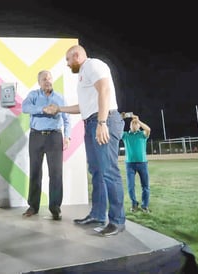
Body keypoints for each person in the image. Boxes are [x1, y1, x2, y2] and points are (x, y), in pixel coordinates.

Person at [46, 45, 126, 236]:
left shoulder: (92, 65)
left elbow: (104, 90)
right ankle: (98, 215)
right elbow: (84, 106)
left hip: (103, 120)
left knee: (109, 171)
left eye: (68, 60)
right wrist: (59, 109)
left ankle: (117, 221)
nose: (67, 64)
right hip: (91, 121)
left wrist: (102, 122)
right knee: (97, 171)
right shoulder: (84, 74)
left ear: (77, 55)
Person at [21, 70, 71, 221]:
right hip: (36, 136)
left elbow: (66, 118)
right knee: (35, 171)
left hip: (55, 136)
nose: (47, 81)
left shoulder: (59, 97)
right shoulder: (33, 95)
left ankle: (55, 207)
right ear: (39, 82)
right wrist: (42, 109)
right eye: (44, 79)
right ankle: (33, 206)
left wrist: (67, 136)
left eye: (49, 78)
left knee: (55, 173)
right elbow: (25, 108)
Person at [121, 114, 151, 213]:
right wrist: (121, 119)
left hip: (142, 163)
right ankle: (134, 203)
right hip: (130, 164)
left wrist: (138, 121)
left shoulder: (142, 134)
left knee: (145, 186)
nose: (134, 125)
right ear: (129, 126)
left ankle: (144, 205)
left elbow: (148, 129)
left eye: (136, 124)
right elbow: (116, 131)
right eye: (132, 123)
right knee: (130, 186)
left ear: (138, 126)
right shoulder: (125, 135)